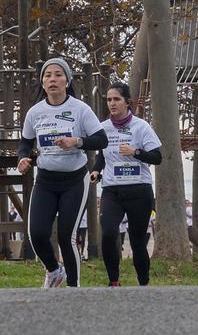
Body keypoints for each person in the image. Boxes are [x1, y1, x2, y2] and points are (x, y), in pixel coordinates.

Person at [17, 58, 107, 288]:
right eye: (48, 75)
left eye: (58, 74)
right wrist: (23, 159)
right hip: (45, 181)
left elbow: (101, 139)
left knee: (67, 237)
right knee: (36, 234)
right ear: (43, 82)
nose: (52, 79)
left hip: (74, 180)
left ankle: (74, 289)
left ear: (66, 80)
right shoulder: (35, 113)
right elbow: (25, 143)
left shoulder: (80, 109)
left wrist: (76, 142)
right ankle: (54, 271)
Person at [90, 81, 162, 286]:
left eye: (116, 99)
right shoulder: (102, 128)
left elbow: (157, 157)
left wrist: (135, 152)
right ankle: (114, 281)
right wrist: (96, 170)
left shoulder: (141, 127)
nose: (112, 103)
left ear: (127, 102)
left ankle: (143, 283)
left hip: (139, 189)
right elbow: (101, 157)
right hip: (112, 190)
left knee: (137, 241)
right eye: (109, 100)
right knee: (109, 232)